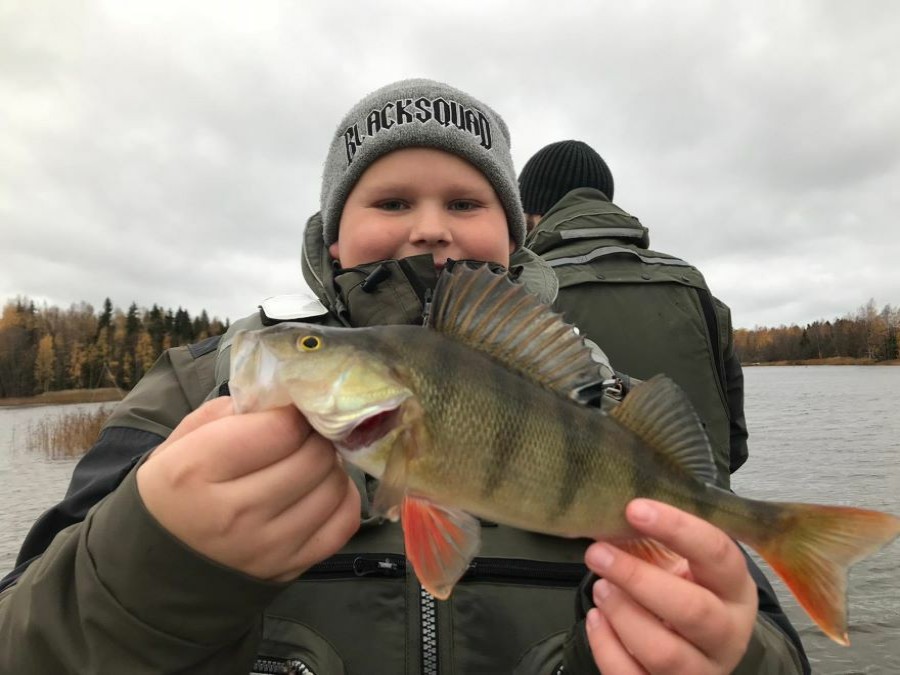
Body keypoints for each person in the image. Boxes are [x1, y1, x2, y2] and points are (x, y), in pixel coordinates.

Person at [0, 80, 808, 674]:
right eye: (390, 200)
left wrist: (731, 653)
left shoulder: (605, 402)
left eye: (465, 201)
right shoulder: (191, 394)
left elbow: (766, 643)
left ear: (515, 235)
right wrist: (153, 558)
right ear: (333, 241)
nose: (429, 228)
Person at [517, 140, 749, 488]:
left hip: (574, 534)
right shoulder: (695, 287)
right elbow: (733, 447)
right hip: (701, 531)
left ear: (531, 213)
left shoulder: (518, 291)